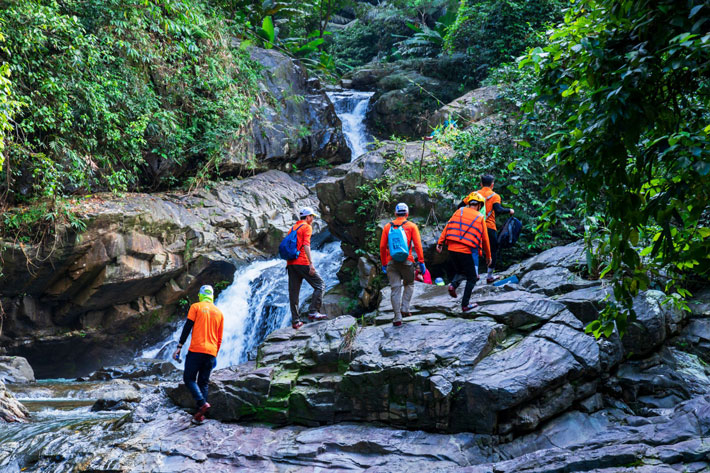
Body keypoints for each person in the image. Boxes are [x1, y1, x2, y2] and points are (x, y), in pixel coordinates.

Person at [172, 285, 224, 424]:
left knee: (189, 378)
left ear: (201, 295)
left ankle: (202, 404)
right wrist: (215, 354)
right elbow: (219, 338)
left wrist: (179, 346)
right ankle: (200, 415)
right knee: (203, 382)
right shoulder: (219, 313)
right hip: (211, 352)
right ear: (212, 296)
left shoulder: (196, 307)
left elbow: (188, 326)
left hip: (196, 350)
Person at [437, 192, 491, 312]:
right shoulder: (480, 218)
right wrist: (488, 256)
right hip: (465, 251)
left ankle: (453, 285)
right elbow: (485, 239)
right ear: (479, 206)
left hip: (451, 249)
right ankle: (465, 305)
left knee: (462, 271)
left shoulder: (459, 211)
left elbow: (447, 226)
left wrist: (440, 243)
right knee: (472, 278)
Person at [379, 203, 425, 326]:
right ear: (407, 214)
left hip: (391, 262)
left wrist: (384, 263)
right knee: (409, 283)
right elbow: (418, 245)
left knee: (395, 288)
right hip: (407, 261)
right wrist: (421, 261)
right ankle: (405, 308)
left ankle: (397, 318)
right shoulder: (411, 226)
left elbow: (383, 246)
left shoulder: (387, 227)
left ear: (395, 213)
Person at [287, 207, 327, 330]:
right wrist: (311, 263)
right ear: (308, 216)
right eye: (312, 216)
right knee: (320, 285)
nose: (313, 219)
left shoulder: (293, 228)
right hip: (302, 262)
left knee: (294, 292)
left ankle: (295, 321)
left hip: (290, 264)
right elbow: (306, 245)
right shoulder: (306, 227)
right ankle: (313, 311)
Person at [476, 174, 514, 284]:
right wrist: (509, 211)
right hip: (489, 227)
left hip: (475, 227)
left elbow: (460, 205)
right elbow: (498, 209)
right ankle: (489, 276)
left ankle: (475, 273)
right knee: (493, 250)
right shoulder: (494, 196)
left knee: (475, 250)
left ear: (481, 184)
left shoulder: (474, 194)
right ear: (492, 185)